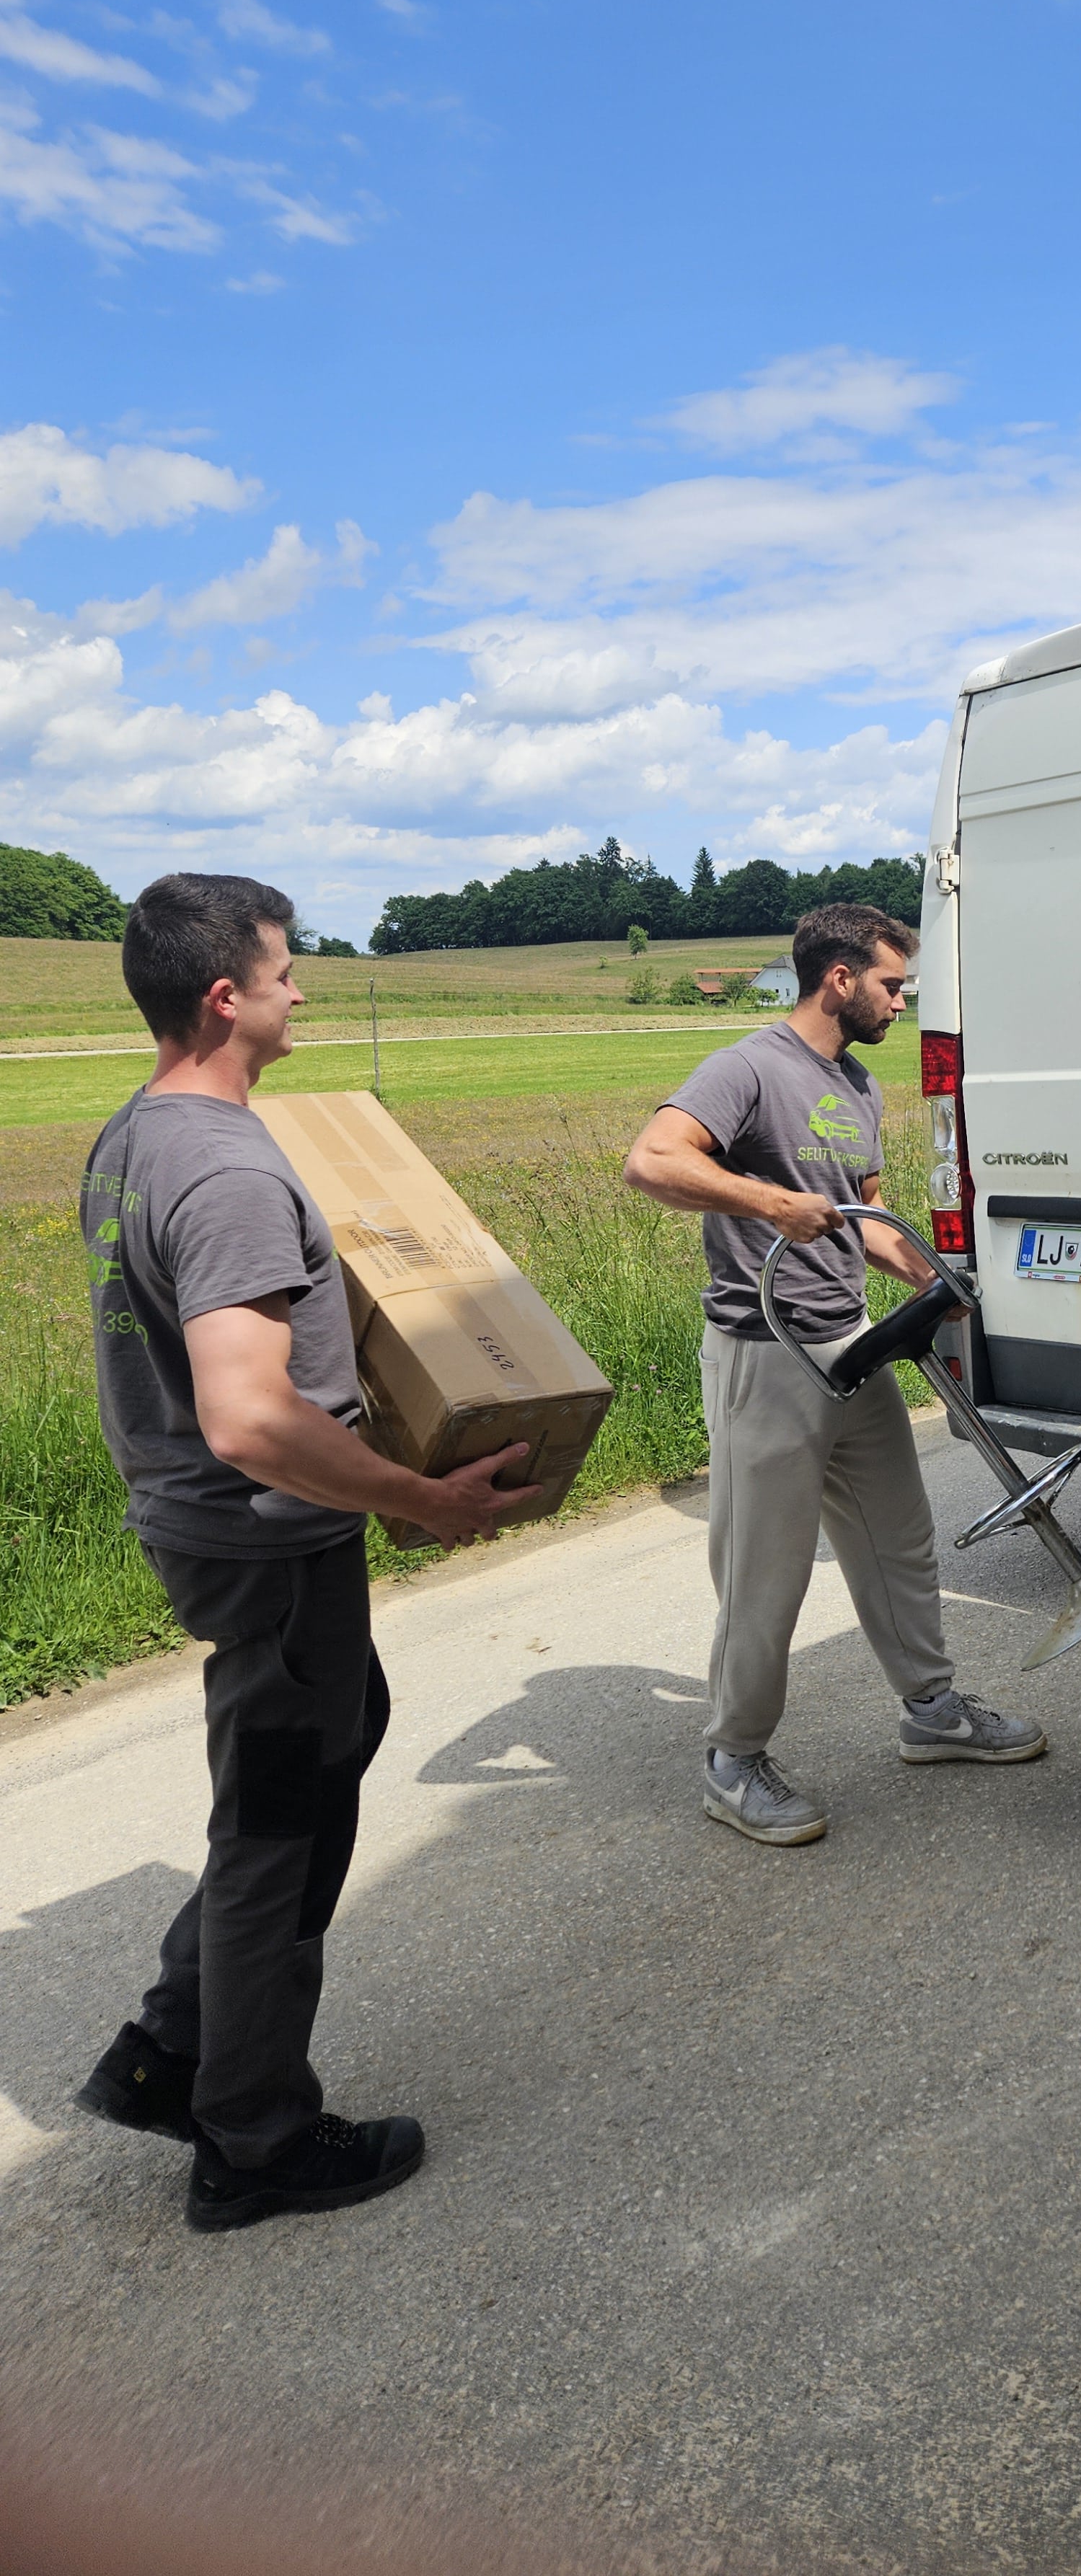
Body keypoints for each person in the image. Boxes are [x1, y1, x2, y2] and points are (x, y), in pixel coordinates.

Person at [74, 874, 541, 2231]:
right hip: (269, 1542)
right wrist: (418, 1497)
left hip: (220, 1537)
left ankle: (173, 2051)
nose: (303, 992)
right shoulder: (220, 1166)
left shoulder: (138, 1133)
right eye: (286, 972)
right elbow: (250, 1412)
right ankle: (255, 2139)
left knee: (335, 1735)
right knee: (281, 1823)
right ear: (227, 996)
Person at [624, 900, 1045, 1844]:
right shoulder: (748, 1067)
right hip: (763, 1355)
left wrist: (945, 1284)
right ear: (840, 979)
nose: (905, 1000)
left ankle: (931, 1713)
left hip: (850, 1343)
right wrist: (770, 1201)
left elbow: (870, 1221)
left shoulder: (857, 1085)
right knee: (764, 1575)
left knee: (900, 1540)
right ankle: (732, 1761)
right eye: (894, 984)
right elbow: (651, 1162)